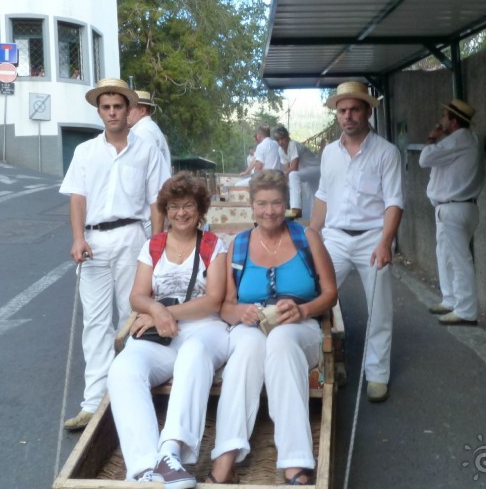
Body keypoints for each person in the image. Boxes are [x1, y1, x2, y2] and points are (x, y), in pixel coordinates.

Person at [206, 170, 337, 485]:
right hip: (250, 327)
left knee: (280, 341)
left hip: (300, 325)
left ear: (287, 203)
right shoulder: (238, 245)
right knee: (247, 351)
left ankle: (295, 463)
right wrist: (241, 312)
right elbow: (225, 306)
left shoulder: (307, 238)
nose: (269, 211)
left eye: (276, 203)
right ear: (251, 205)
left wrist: (303, 308)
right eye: (262, 203)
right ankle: (225, 459)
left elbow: (331, 293)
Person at [59, 78, 170, 431]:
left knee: (130, 318)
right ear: (99, 111)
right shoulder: (85, 152)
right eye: (106, 107)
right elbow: (77, 197)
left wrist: (157, 244)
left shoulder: (147, 149)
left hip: (132, 238)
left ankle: (130, 397)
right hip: (93, 241)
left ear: (128, 109)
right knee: (94, 322)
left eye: (117, 107)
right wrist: (77, 238)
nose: (112, 113)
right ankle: (93, 403)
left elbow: (156, 202)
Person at [107, 172, 229, 487]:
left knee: (193, 351)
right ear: (166, 210)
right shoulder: (154, 245)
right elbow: (137, 295)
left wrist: (166, 312)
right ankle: (144, 466)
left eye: (188, 205)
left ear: (200, 209)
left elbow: (214, 300)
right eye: (174, 206)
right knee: (123, 368)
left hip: (204, 329)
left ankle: (171, 453)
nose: (181, 213)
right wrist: (157, 310)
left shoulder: (213, 245)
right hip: (160, 331)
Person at [310, 81, 403, 403]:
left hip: (371, 239)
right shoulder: (329, 153)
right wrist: (312, 234)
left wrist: (385, 242)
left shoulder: (387, 152)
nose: (348, 116)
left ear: (367, 111)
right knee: (318, 299)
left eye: (354, 109)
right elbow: (323, 195)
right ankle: (333, 359)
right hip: (334, 238)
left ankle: (377, 375)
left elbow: (394, 202)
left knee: (379, 310)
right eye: (342, 110)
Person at [419, 99, 485, 326]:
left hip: (453, 208)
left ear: (454, 122)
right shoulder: (469, 139)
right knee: (445, 255)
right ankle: (451, 300)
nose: (442, 120)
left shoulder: (458, 139)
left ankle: (466, 311)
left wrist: (432, 138)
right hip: (459, 207)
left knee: (459, 260)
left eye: (445, 116)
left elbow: (424, 159)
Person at [128, 89, 173, 235]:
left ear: (142, 110)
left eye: (129, 108)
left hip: (147, 214)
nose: (125, 112)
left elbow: (145, 177)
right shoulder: (149, 129)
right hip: (151, 211)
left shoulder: (143, 133)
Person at [272, 125, 321, 219]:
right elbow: (286, 171)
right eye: (278, 140)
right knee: (313, 197)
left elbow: (293, 168)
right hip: (306, 173)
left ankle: (296, 210)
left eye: (282, 139)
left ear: (287, 137)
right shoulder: (280, 150)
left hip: (316, 169)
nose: (280, 142)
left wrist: (282, 177)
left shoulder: (292, 144)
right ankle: (313, 222)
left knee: (293, 175)